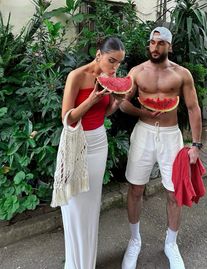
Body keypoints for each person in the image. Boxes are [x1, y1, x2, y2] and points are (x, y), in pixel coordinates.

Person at [120, 27, 202, 269]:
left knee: (174, 193)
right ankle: (134, 241)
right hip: (143, 133)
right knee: (135, 189)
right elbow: (124, 102)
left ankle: (171, 244)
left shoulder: (182, 74)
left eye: (160, 43)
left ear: (170, 46)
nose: (155, 47)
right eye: (152, 42)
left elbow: (193, 108)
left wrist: (196, 145)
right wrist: (141, 111)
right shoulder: (137, 72)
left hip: (170, 137)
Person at [60, 36, 125, 269]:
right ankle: (74, 263)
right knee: (75, 206)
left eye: (119, 63)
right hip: (76, 143)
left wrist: (116, 103)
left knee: (91, 206)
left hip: (99, 142)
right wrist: (90, 100)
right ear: (98, 55)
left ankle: (86, 263)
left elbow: (104, 113)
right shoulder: (76, 76)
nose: (115, 68)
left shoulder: (110, 78)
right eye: (111, 61)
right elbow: (67, 119)